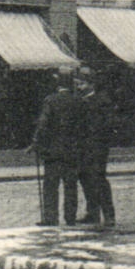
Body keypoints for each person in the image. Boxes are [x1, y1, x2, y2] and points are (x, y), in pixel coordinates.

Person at [30, 69, 80, 225]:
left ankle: (51, 218)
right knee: (70, 185)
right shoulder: (77, 101)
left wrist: (36, 142)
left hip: (53, 151)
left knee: (51, 185)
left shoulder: (50, 100)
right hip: (72, 150)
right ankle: (70, 217)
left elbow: (42, 125)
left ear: (58, 84)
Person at [73, 66, 115, 228]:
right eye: (77, 83)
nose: (79, 87)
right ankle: (93, 213)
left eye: (82, 83)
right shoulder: (80, 101)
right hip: (83, 149)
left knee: (99, 180)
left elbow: (107, 126)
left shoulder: (102, 101)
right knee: (85, 179)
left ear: (91, 84)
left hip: (97, 149)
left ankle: (109, 215)